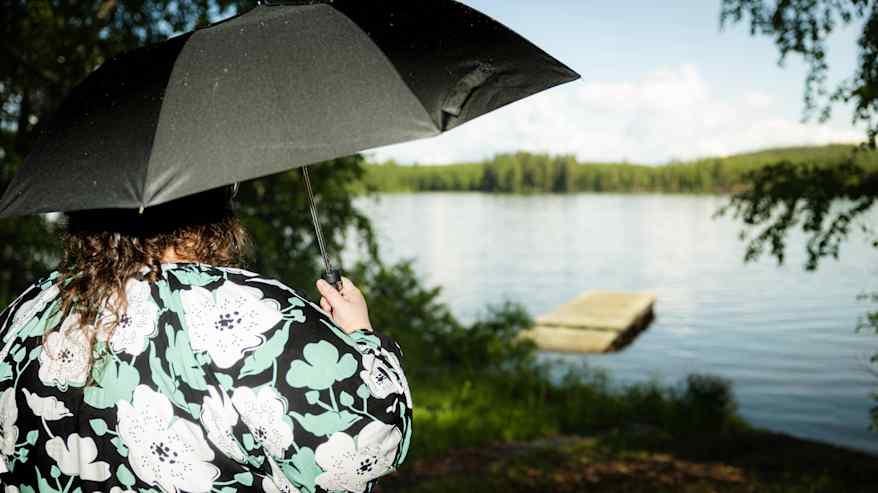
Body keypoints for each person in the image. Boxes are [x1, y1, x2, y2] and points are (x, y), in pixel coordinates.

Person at [0, 185, 412, 493]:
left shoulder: (27, 313)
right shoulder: (251, 315)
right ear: (212, 202)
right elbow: (366, 445)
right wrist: (361, 338)